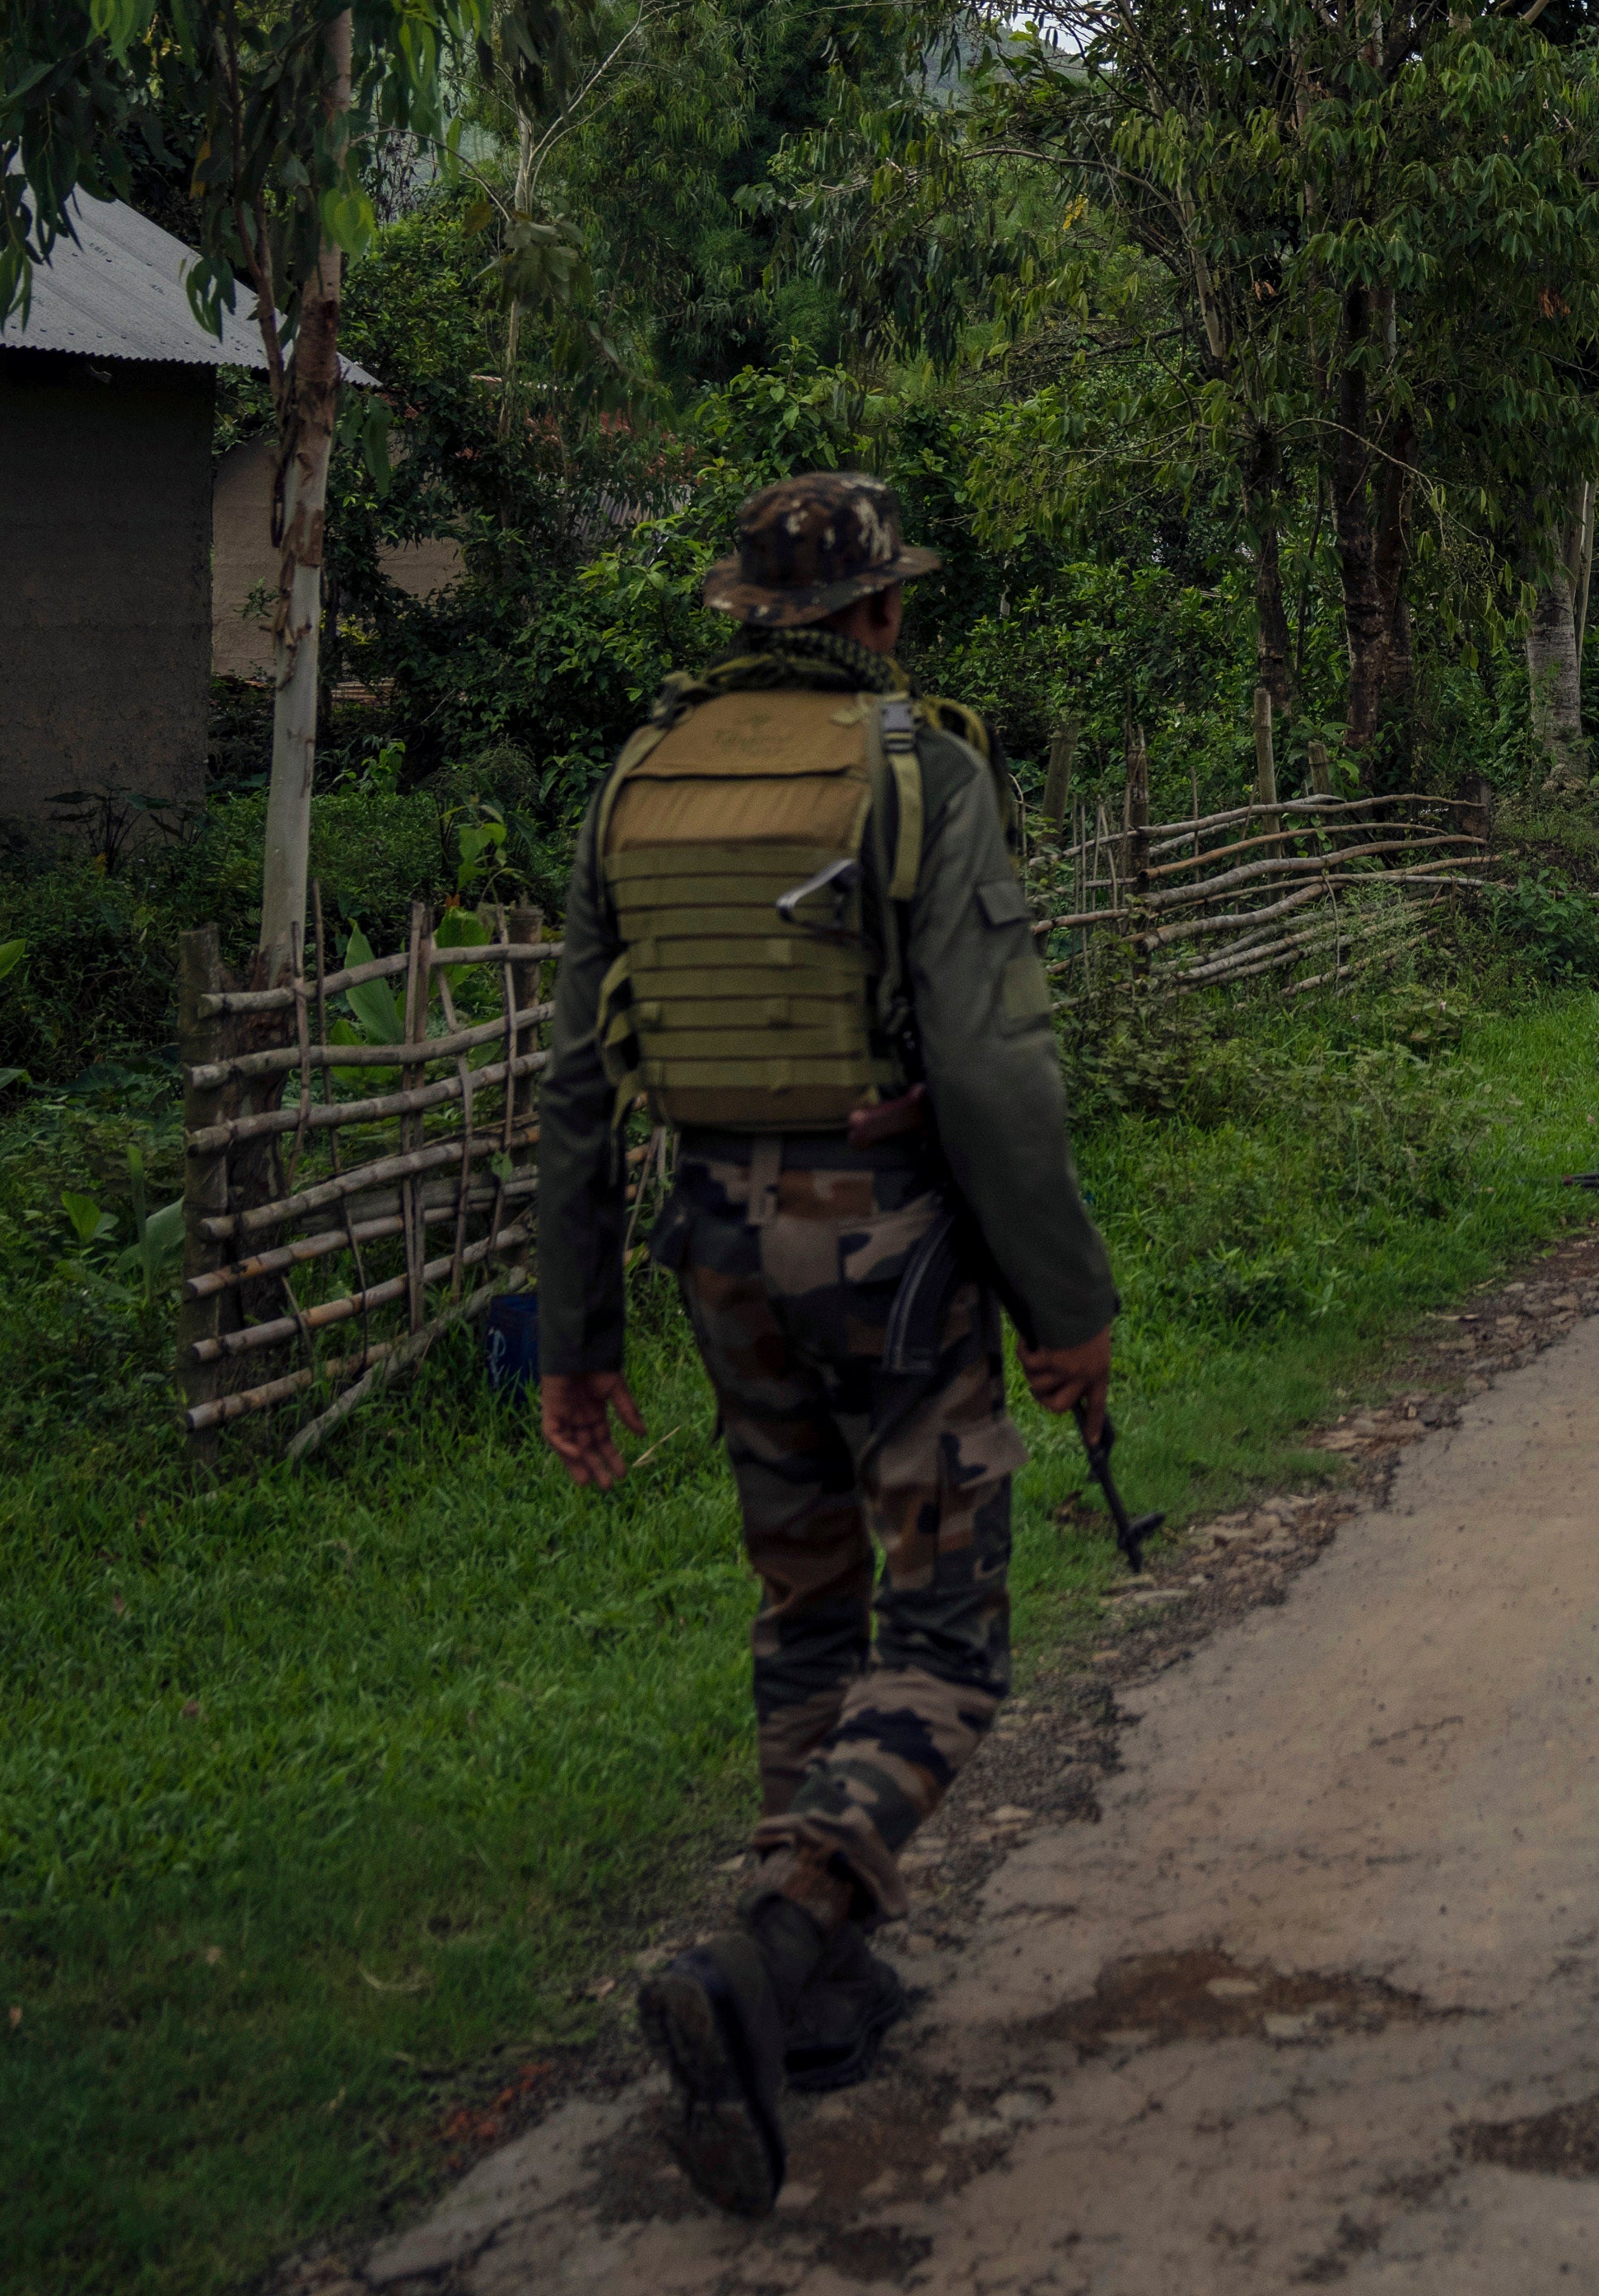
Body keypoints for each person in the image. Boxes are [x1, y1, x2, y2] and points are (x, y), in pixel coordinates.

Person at [529, 471, 1120, 2216]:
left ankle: (830, 1991)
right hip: (883, 1239)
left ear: (738, 617)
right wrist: (1069, 1315)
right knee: (945, 1626)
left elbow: (575, 1082)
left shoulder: (635, 785)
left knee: (803, 1599)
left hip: (710, 1236)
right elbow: (998, 1077)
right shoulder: (919, 770)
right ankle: (777, 1945)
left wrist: (574, 1336)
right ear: (872, 615)